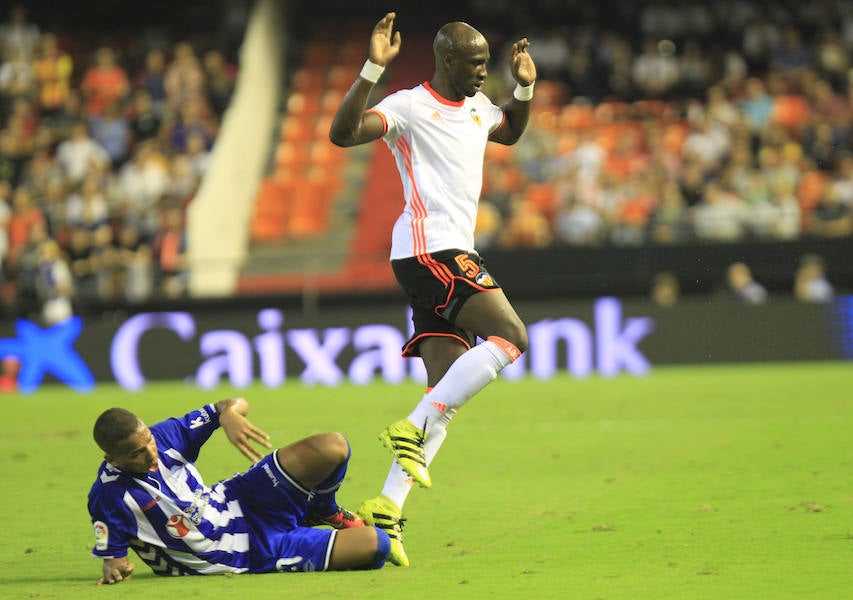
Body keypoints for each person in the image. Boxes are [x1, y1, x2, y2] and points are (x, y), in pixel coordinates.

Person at [329, 12, 535, 566]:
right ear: (446, 60)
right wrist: (374, 66)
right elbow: (343, 133)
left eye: (486, 64)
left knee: (445, 389)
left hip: (442, 252)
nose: (481, 73)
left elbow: (510, 130)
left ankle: (388, 507)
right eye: (474, 64)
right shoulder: (407, 105)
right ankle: (411, 427)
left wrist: (524, 84)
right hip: (430, 248)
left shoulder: (478, 107)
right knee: (512, 336)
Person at [87, 397, 393, 584]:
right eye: (136, 453)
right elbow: (113, 559)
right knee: (376, 544)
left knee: (333, 445)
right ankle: (301, 530)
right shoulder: (109, 496)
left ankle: (321, 508)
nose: (151, 454)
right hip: (246, 551)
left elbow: (230, 402)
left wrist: (228, 414)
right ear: (111, 458)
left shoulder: (163, 436)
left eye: (149, 442)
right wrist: (117, 568)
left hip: (241, 497)